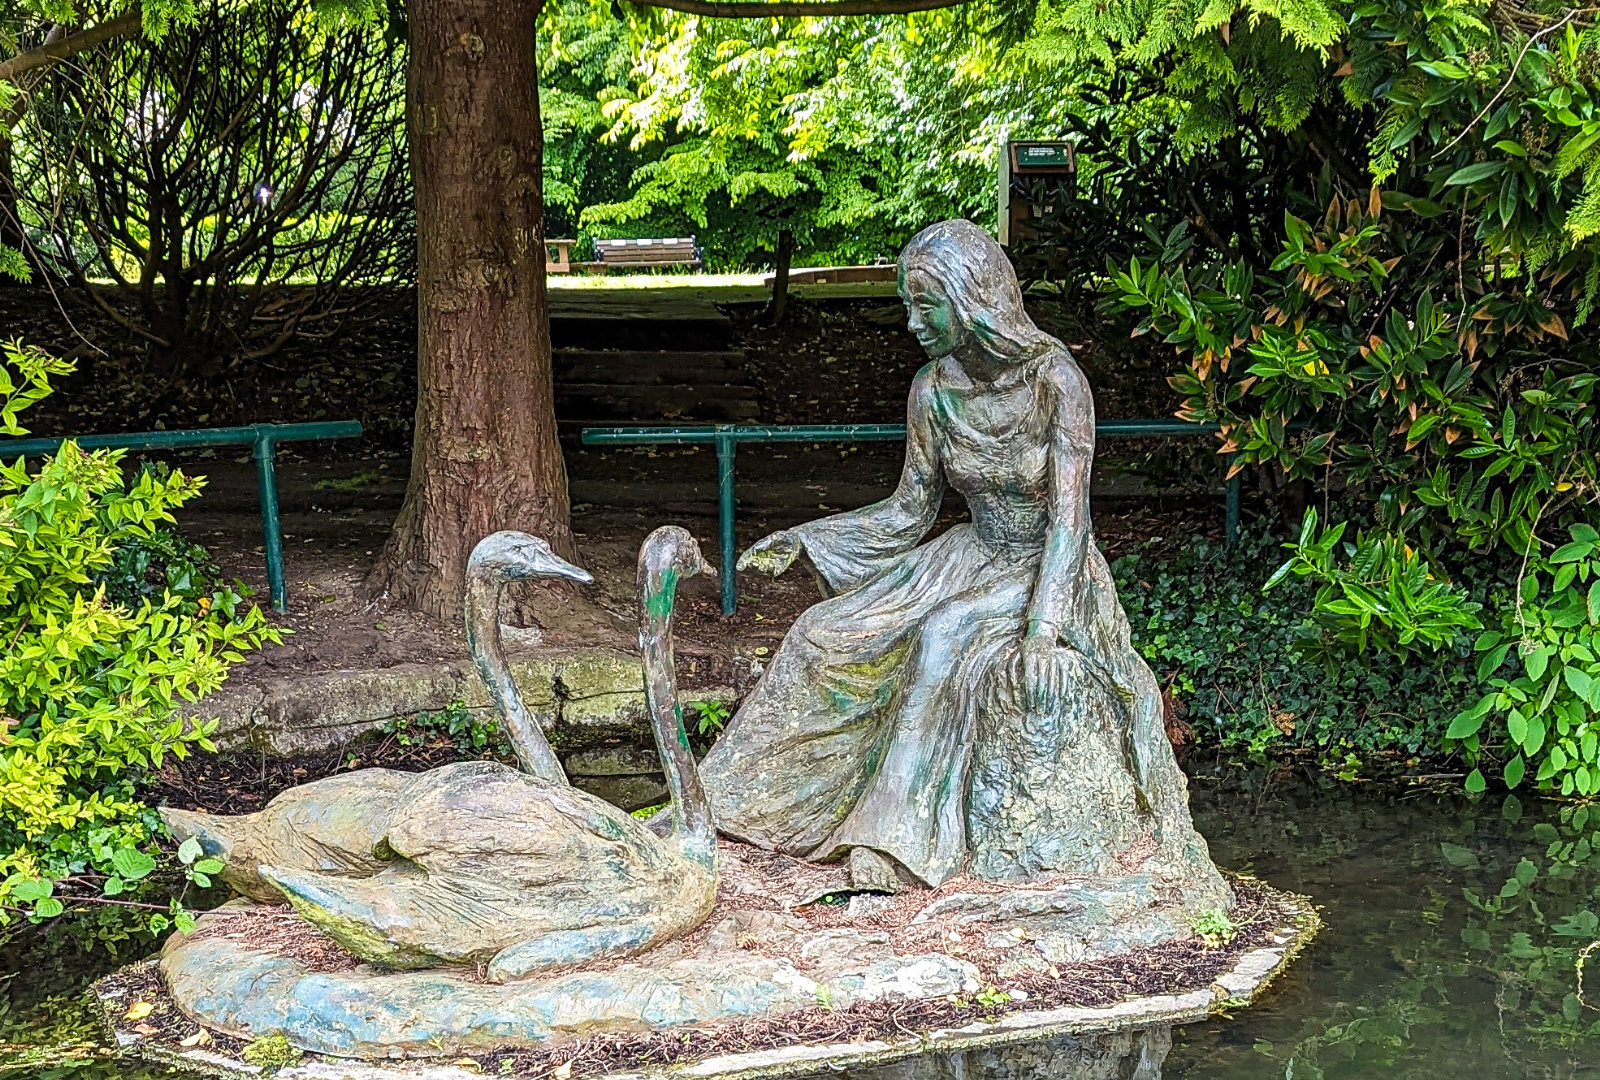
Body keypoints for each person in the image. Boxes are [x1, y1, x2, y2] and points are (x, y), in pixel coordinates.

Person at [699, 219, 1183, 889]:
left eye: (923, 304)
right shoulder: (931, 390)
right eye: (908, 304)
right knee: (821, 633)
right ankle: (735, 811)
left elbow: (1070, 526)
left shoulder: (1057, 384)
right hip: (968, 552)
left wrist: (1042, 632)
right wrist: (809, 537)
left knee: (944, 632)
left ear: (970, 300)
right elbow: (907, 510)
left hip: (1044, 565)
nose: (911, 323)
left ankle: (894, 848)